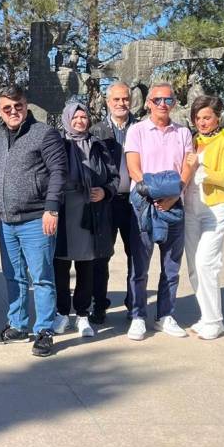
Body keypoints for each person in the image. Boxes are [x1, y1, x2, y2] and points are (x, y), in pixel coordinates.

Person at [0, 85, 67, 358]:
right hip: (5, 219)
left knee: (41, 277)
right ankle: (17, 325)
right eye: (7, 108)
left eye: (18, 106)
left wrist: (52, 208)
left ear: (25, 105)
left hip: (36, 219)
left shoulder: (44, 134)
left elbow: (58, 172)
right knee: (13, 275)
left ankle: (44, 330)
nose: (13, 112)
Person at [123, 83, 196, 341]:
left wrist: (174, 195)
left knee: (171, 267)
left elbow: (188, 166)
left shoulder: (183, 133)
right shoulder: (137, 130)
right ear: (148, 103)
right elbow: (134, 168)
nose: (163, 104)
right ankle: (138, 315)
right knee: (139, 266)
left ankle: (165, 315)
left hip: (174, 204)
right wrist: (155, 195)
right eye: (157, 99)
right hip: (144, 203)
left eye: (168, 99)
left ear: (174, 103)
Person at [53, 99, 118, 339]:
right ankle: (61, 314)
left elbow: (113, 177)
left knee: (86, 267)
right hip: (63, 212)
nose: (80, 121)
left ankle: (82, 315)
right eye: (75, 117)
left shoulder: (98, 146)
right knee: (60, 265)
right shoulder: (57, 144)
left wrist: (105, 191)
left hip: (91, 213)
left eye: (84, 117)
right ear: (66, 119)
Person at [182, 95, 224, 341]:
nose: (202, 122)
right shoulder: (192, 139)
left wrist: (201, 169)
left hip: (214, 208)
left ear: (218, 117)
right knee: (194, 266)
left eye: (207, 117)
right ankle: (206, 316)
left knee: (207, 263)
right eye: (198, 118)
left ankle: (216, 321)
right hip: (190, 207)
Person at [88, 81, 136, 323]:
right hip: (105, 201)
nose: (121, 104)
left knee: (135, 255)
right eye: (116, 99)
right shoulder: (97, 130)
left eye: (125, 99)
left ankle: (134, 304)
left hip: (135, 201)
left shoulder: (141, 128)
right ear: (108, 102)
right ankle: (99, 304)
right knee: (101, 255)